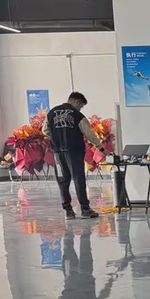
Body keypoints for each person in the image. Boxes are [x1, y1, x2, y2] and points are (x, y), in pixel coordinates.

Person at [43, 92, 105, 220]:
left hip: (58, 154)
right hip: (74, 152)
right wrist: (100, 147)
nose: (80, 108)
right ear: (77, 102)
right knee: (78, 179)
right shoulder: (77, 114)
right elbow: (89, 133)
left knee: (62, 181)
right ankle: (85, 210)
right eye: (81, 106)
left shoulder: (51, 113)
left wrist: (56, 138)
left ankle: (68, 211)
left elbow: (45, 131)